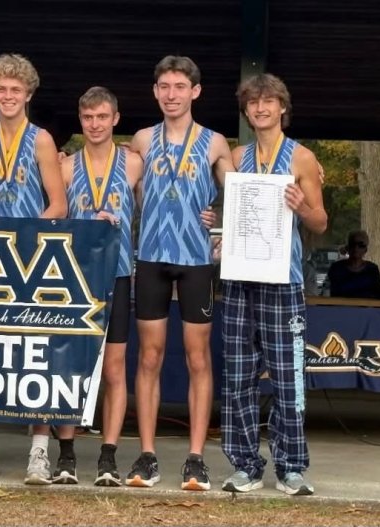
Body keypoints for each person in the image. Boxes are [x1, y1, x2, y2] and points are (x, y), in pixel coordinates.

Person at [128, 55, 233, 491]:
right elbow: (121, 187)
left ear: (196, 91)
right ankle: (148, 455)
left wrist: (224, 224)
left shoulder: (213, 142)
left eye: (179, 87)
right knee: (149, 356)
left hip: (195, 260)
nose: (171, 95)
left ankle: (195, 459)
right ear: (155, 91)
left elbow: (240, 190)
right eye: (164, 87)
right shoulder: (141, 139)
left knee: (197, 358)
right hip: (151, 255)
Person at [221, 73, 327, 496]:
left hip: (283, 280)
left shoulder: (301, 158)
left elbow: (320, 222)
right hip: (240, 278)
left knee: (288, 377)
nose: (260, 108)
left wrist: (302, 207)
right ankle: (246, 464)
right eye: (253, 103)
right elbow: (231, 216)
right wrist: (219, 231)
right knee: (239, 376)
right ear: (246, 110)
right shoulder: (237, 156)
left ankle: (291, 467)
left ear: (282, 107)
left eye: (268, 102)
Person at [0, 53, 67, 485]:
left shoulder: (41, 138)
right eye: (2, 89)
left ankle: (38, 454)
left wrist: (28, 237)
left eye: (16, 90)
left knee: (35, 353)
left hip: (28, 259)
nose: (8, 96)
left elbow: (58, 203)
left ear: (28, 94)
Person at [56, 86, 142, 486]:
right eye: (88, 118)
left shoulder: (134, 163)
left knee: (114, 368)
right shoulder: (65, 167)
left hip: (119, 274)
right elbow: (54, 219)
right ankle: (67, 455)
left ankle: (108, 456)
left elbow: (157, 205)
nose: (95, 124)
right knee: (71, 366)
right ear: (81, 120)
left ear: (115, 119)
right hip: (74, 279)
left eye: (102, 117)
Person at [327, 230, 380, 298]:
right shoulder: (336, 268)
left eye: (361, 245)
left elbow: (378, 296)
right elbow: (328, 293)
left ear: (365, 250)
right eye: (353, 244)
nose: (356, 248)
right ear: (348, 247)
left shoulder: (372, 270)